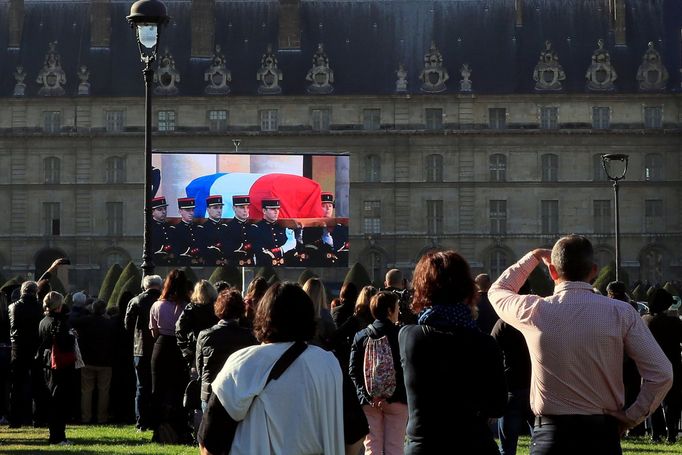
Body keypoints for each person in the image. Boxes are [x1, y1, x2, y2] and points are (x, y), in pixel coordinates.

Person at [489, 235, 673, 454]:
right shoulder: (621, 312)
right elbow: (662, 373)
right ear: (594, 270)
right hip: (602, 434)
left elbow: (498, 290)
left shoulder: (534, 310)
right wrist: (632, 417)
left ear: (552, 272)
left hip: (551, 435)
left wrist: (534, 256)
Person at [198, 282, 345, 455]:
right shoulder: (329, 364)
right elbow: (355, 434)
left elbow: (210, 443)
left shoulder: (243, 364)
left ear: (263, 316)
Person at [399, 251, 507, 454]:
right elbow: (497, 407)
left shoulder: (409, 337)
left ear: (423, 289)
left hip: (425, 445)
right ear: (467, 288)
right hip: (474, 443)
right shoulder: (485, 344)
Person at [349, 291, 407, 455]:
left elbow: (353, 371)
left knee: (372, 447)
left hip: (369, 401)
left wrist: (367, 396)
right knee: (395, 447)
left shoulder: (360, 336)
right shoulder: (401, 335)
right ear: (389, 311)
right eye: (396, 308)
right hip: (397, 399)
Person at [195, 289, 257, 411]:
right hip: (237, 393)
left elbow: (200, 366)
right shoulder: (249, 336)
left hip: (210, 391)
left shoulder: (205, 335)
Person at [149, 269, 192, 443]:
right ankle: (180, 428)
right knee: (180, 390)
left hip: (161, 346)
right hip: (180, 348)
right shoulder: (187, 307)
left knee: (157, 390)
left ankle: (158, 429)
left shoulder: (157, 305)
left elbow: (154, 332)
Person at [491, 281, 533, 455]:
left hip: (511, 384)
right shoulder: (537, 319)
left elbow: (491, 351)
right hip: (535, 385)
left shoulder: (504, 322)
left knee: (507, 446)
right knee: (540, 440)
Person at [642, 288, 682, 443]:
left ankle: (655, 434)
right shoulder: (673, 322)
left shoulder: (645, 321)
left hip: (650, 366)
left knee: (653, 402)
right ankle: (672, 434)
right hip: (673, 366)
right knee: (673, 402)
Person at [37, 291, 76, 445]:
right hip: (60, 364)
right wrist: (72, 336)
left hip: (47, 361)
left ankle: (56, 435)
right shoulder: (59, 322)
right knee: (60, 401)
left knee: (53, 399)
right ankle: (58, 436)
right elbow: (65, 344)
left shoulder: (43, 321)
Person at [124, 274, 162, 431]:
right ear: (159, 286)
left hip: (140, 348)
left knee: (141, 387)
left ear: (144, 286)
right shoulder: (163, 301)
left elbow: (127, 325)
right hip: (160, 347)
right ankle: (156, 419)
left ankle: (141, 422)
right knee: (158, 385)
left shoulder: (135, 301)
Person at [72, 299, 115, 424]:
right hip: (105, 361)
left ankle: (86, 417)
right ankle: (102, 418)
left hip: (88, 360)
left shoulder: (86, 321)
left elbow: (72, 321)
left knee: (86, 391)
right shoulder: (109, 324)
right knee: (104, 391)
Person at [7, 281, 44, 428]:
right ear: (35, 292)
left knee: (16, 387)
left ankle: (15, 420)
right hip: (36, 348)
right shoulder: (40, 307)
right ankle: (38, 419)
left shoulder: (12, 307)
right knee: (38, 386)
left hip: (18, 348)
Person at [176, 280, 219, 371]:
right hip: (216, 345)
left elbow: (179, 328)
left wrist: (185, 348)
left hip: (196, 346)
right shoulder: (217, 306)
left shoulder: (191, 308)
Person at [253, 199, 296, 266]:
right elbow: (261, 253)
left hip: (284, 268)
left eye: (278, 209)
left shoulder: (282, 227)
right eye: (272, 209)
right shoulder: (257, 228)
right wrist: (283, 249)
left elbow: (292, 253)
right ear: (264, 211)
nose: (276, 211)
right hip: (266, 267)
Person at [222, 195, 258, 267]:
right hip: (235, 265)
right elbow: (227, 250)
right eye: (242, 207)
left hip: (250, 264)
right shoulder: (228, 227)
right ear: (234, 208)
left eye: (247, 207)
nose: (245, 210)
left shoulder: (252, 227)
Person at [302, 278, 336, 350]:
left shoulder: (296, 313)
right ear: (321, 294)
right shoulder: (324, 314)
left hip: (298, 352)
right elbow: (333, 336)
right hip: (319, 352)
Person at [172, 197, 205, 266]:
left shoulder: (199, 228)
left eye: (192, 210)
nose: (191, 213)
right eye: (188, 210)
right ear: (180, 211)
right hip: (184, 263)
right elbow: (176, 251)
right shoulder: (176, 230)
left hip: (201, 262)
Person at [201, 195, 229, 266]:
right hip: (211, 264)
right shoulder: (203, 228)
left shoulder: (226, 227)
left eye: (221, 208)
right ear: (208, 209)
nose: (219, 211)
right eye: (215, 208)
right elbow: (203, 250)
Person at [151, 197, 174, 266]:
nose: (164, 212)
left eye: (165, 209)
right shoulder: (150, 227)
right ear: (152, 212)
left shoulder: (170, 227)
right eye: (160, 209)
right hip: (157, 262)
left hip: (172, 262)